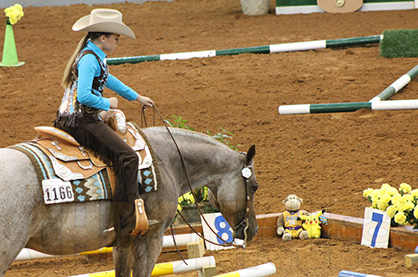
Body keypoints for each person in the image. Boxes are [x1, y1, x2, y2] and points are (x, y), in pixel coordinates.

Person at [54, 8, 153, 247]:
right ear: (104, 38)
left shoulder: (93, 55)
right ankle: (123, 220)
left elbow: (108, 79)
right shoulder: (90, 59)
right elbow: (86, 95)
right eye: (116, 38)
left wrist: (136, 97)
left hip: (73, 117)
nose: (118, 42)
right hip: (81, 121)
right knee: (129, 157)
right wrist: (108, 102)